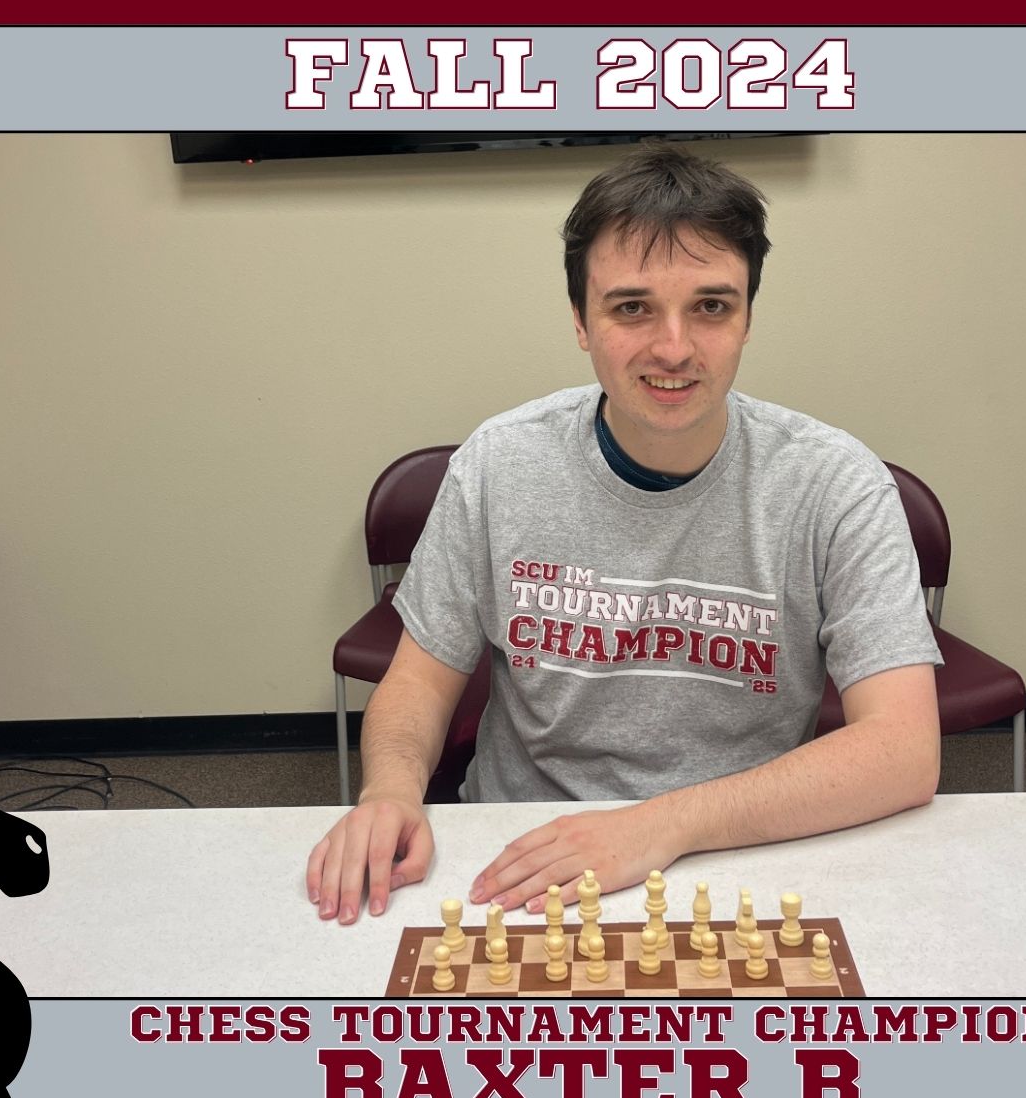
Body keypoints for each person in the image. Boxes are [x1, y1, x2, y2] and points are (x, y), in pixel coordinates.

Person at [307, 143, 943, 926]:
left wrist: (662, 823)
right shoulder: (500, 464)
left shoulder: (834, 484)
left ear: (747, 317)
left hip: (745, 850)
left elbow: (905, 748)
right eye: (632, 307)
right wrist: (389, 791)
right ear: (581, 321)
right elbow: (417, 685)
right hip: (522, 855)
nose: (673, 348)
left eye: (711, 306)